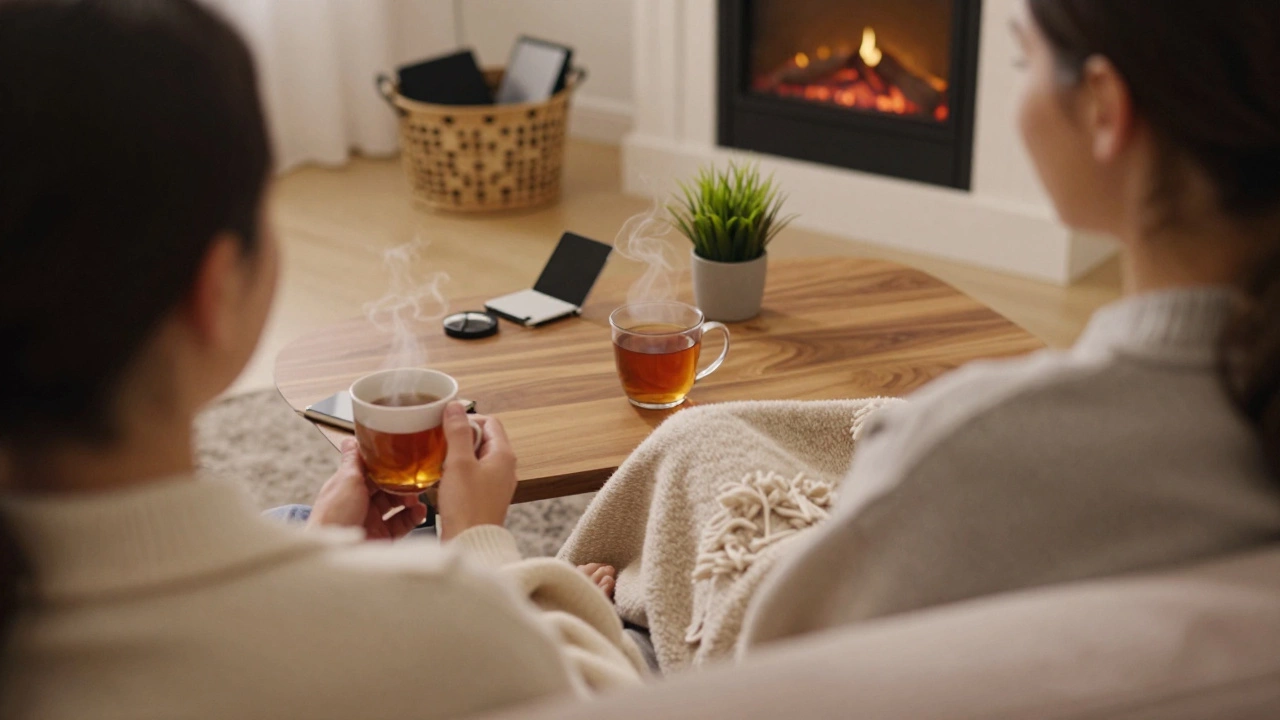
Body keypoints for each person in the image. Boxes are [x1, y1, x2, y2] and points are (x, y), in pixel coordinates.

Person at [568, 0, 1280, 663]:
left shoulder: (984, 441)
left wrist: (549, 607)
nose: (1018, 96)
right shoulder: (1230, 415)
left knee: (694, 449)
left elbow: (763, 665)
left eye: (1022, 62)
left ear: (1103, 108)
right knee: (709, 433)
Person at [0, 1, 642, 718]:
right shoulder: (444, 628)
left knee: (287, 515)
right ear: (211, 292)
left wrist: (317, 546)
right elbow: (622, 697)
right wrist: (487, 553)